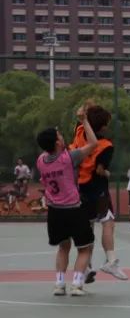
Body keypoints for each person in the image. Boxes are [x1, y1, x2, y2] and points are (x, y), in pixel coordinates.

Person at [36, 117, 99, 296]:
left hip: (55, 211)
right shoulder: (68, 158)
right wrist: (84, 120)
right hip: (74, 209)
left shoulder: (41, 160)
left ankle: (59, 284)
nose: (62, 137)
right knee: (84, 248)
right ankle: (77, 284)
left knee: (63, 247)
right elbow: (94, 144)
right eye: (60, 135)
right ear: (57, 142)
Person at [70, 103, 128, 282]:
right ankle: (111, 261)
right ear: (102, 126)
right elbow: (100, 170)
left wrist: (84, 115)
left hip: (80, 188)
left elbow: (82, 120)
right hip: (97, 189)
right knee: (108, 223)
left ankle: (86, 267)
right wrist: (108, 173)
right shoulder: (106, 146)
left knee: (88, 228)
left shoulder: (79, 131)